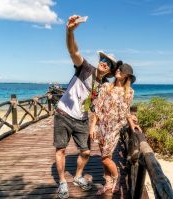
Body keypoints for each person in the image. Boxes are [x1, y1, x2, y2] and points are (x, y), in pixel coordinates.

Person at [53, 15, 117, 199]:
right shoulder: (85, 68)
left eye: (109, 63)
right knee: (61, 150)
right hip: (63, 113)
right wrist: (70, 31)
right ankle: (62, 182)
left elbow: (96, 107)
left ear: (110, 71)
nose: (104, 62)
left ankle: (78, 177)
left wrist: (95, 125)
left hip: (81, 118)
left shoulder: (103, 85)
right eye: (103, 59)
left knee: (86, 151)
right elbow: (74, 51)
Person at [89, 62, 140, 195]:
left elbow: (127, 111)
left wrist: (132, 124)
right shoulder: (106, 86)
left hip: (115, 128)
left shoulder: (129, 92)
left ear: (126, 76)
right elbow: (98, 108)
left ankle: (116, 178)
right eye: (118, 68)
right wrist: (93, 126)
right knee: (106, 156)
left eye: (121, 70)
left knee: (105, 158)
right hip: (102, 127)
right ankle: (108, 183)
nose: (118, 70)